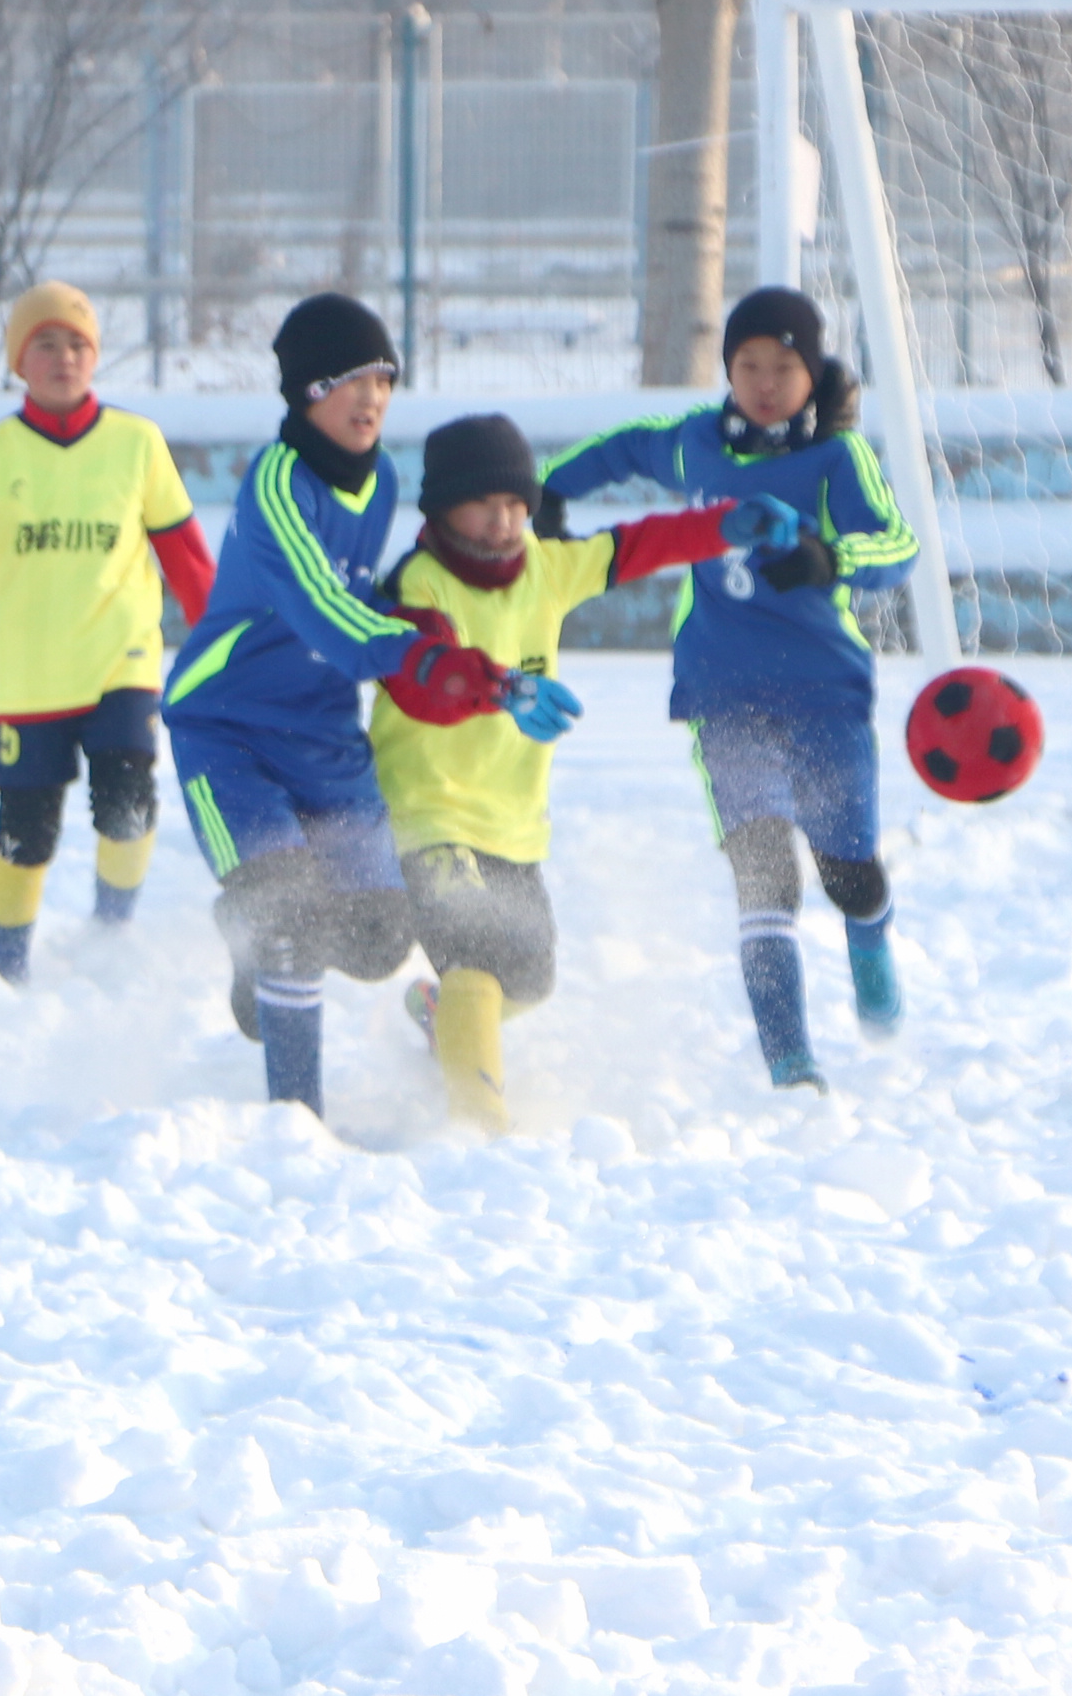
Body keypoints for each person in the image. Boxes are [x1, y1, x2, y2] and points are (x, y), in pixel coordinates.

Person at [163, 294, 565, 1119]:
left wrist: (467, 648)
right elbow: (326, 610)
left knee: (383, 937)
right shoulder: (276, 484)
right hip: (229, 730)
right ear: (308, 394)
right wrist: (426, 656)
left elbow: (386, 595)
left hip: (325, 734)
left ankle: (255, 932)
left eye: (383, 377)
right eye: (351, 380)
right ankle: (295, 1120)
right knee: (289, 918)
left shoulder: (381, 480)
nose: (373, 396)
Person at [535, 286, 920, 1091]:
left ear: (812, 373)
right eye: (748, 365)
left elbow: (899, 545)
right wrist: (549, 489)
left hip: (827, 695)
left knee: (848, 873)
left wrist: (832, 558)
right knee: (764, 873)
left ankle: (870, 937)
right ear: (728, 370)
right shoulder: (697, 445)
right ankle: (790, 1061)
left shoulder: (836, 460)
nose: (765, 382)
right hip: (723, 692)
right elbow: (628, 449)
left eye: (784, 366)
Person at [369, 412, 796, 1131]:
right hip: (426, 811)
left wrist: (730, 523)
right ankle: (479, 1127)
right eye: (486, 505)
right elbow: (424, 681)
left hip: (513, 821)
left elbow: (638, 546)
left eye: (517, 505)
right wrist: (502, 687)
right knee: (475, 951)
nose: (505, 522)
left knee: (529, 977)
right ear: (443, 509)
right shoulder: (420, 584)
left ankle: (444, 1016)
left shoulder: (546, 567)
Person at [0, 282, 215, 982]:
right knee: (26, 836)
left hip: (122, 661)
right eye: (46, 344)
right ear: (18, 362)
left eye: (79, 345)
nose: (64, 358)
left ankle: (112, 929)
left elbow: (184, 551)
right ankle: (9, 974)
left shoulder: (136, 443)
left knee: (127, 800)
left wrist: (220, 640)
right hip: (32, 681)